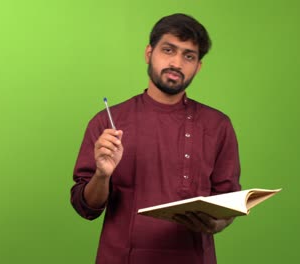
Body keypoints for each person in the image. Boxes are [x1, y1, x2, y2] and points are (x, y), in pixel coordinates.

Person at [71, 13, 241, 264]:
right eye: (168, 50)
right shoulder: (109, 122)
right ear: (149, 53)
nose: (177, 62)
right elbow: (85, 207)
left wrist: (218, 221)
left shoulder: (217, 125)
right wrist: (102, 175)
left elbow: (227, 202)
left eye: (189, 56)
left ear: (198, 66)